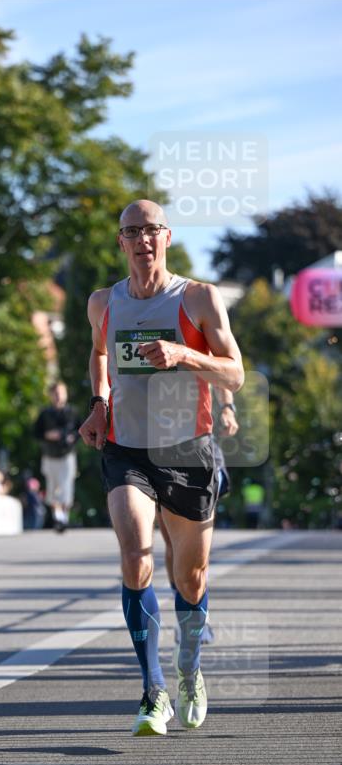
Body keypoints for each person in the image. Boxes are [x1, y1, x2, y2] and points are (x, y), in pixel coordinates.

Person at [79, 199, 244, 736]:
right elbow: (99, 354)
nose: (143, 239)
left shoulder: (197, 297)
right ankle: (153, 692)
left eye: (152, 230)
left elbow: (235, 374)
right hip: (127, 450)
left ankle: (189, 670)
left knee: (189, 578)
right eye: (132, 231)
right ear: (121, 241)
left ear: (167, 237)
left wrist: (186, 357)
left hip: (186, 451)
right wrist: (100, 403)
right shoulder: (103, 301)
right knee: (135, 556)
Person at [161, 386, 238, 646]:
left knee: (197, 545)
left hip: (200, 447)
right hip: (153, 450)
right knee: (172, 542)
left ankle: (197, 614)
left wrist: (227, 408)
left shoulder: (196, 346)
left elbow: (222, 372)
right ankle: (183, 606)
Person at [34, 381, 80, 532]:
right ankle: (57, 515)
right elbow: (36, 433)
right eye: (56, 393)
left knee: (67, 486)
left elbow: (81, 431)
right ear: (51, 395)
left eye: (61, 392)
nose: (59, 396)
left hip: (67, 455)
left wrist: (72, 437)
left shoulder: (73, 412)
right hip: (50, 455)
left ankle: (63, 517)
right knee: (52, 487)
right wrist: (49, 435)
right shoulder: (45, 413)